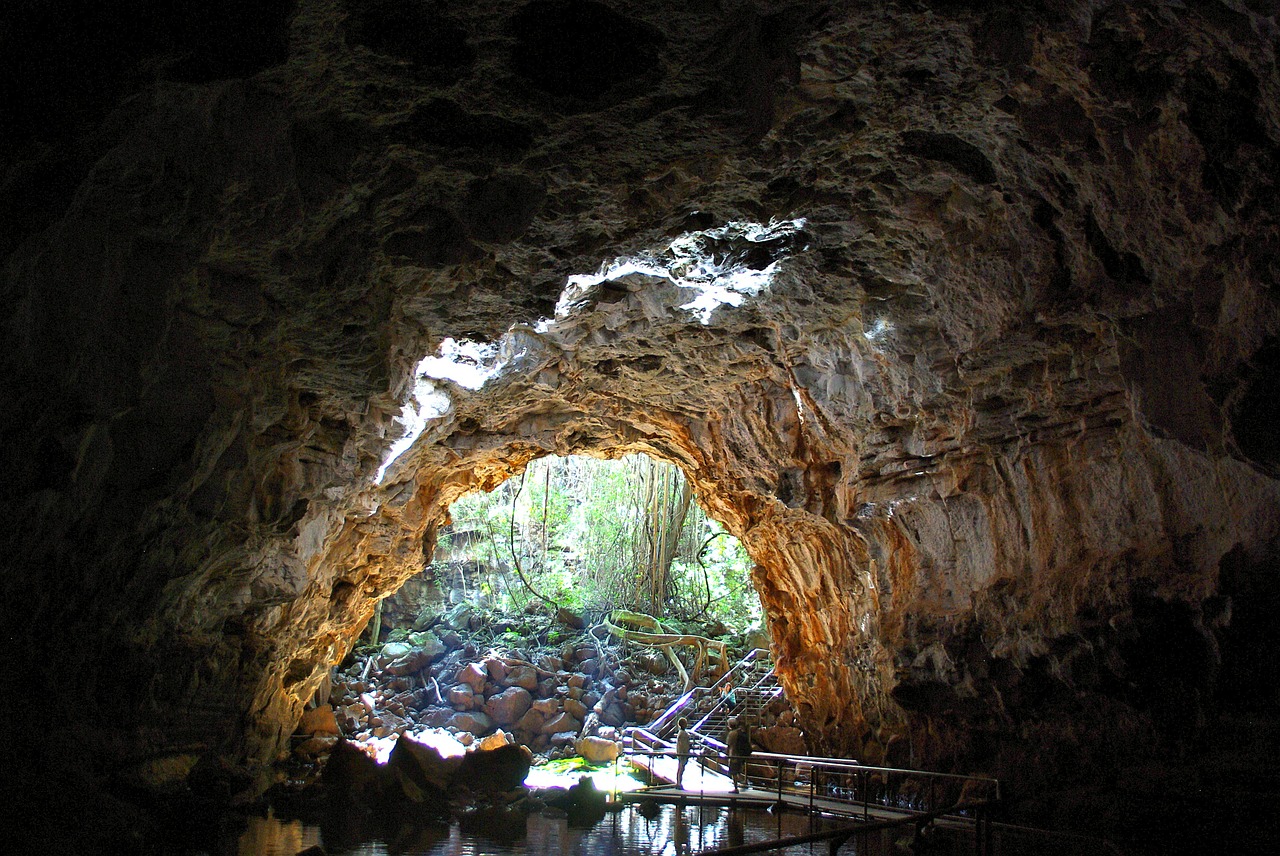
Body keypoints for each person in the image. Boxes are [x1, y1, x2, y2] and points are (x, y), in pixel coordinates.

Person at [725, 717, 753, 792]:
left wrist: (727, 754)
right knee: (739, 770)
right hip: (741, 754)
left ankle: (736, 787)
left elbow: (729, 745)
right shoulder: (740, 732)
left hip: (734, 755)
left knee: (734, 772)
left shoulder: (732, 734)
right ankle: (744, 782)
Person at [676, 717, 692, 788]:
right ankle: (679, 782)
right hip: (683, 753)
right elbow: (683, 744)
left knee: (681, 768)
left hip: (682, 752)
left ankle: (679, 782)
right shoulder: (683, 734)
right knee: (681, 768)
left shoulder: (682, 733)